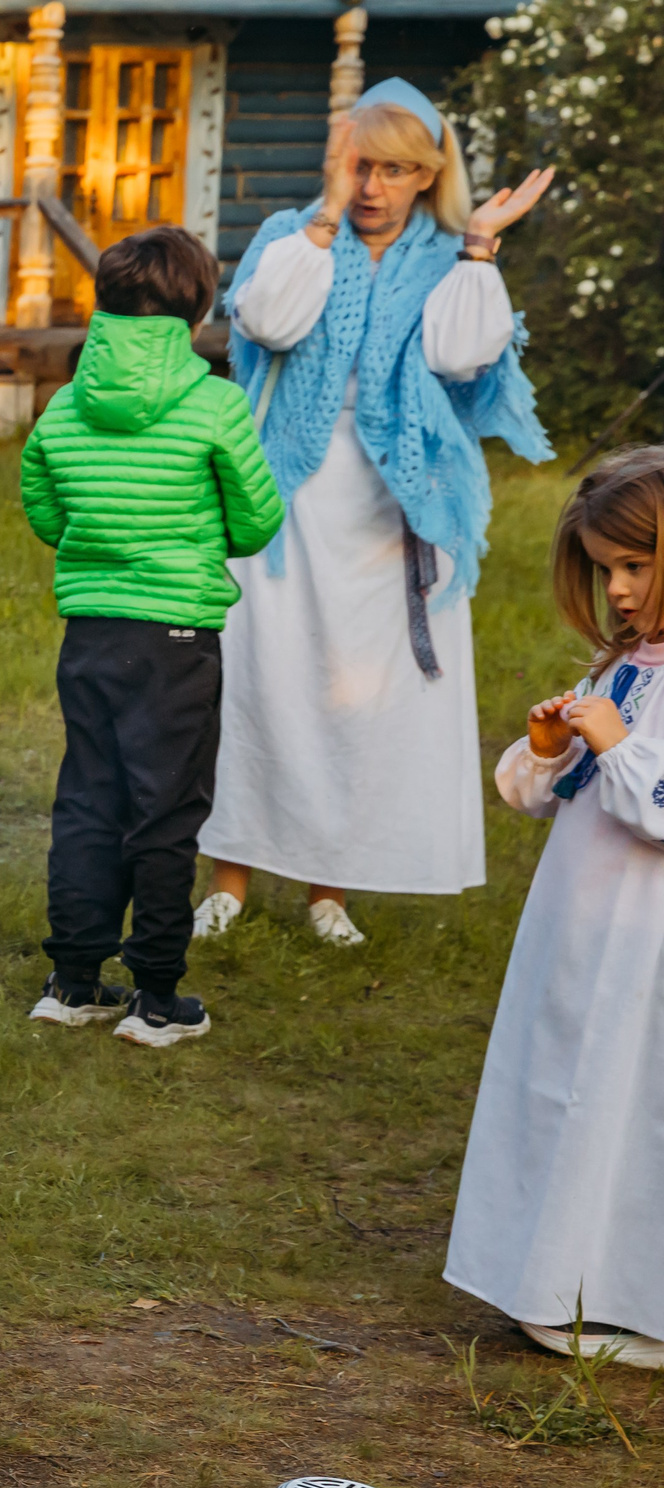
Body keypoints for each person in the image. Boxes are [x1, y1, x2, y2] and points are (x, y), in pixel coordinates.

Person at [196, 79, 554, 948]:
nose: (374, 187)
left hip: (400, 500)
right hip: (286, 489)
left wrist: (477, 249)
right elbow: (266, 323)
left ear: (428, 176)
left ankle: (331, 888)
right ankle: (230, 880)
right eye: (363, 165)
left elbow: (462, 356)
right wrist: (320, 219)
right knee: (260, 679)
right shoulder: (295, 235)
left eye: (397, 170)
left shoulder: (445, 255)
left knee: (364, 694)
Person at [19, 226, 284, 1047]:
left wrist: (97, 546)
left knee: (89, 800)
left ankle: (74, 980)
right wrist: (199, 541)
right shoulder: (215, 403)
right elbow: (257, 517)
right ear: (200, 306)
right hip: (177, 636)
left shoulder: (65, 404)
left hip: (92, 630)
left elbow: (44, 505)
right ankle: (158, 995)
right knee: (164, 808)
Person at [443, 448, 664, 1372]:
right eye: (604, 567)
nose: (615, 589)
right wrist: (545, 747)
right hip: (578, 926)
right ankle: (549, 1272)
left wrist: (619, 748)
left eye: (636, 565)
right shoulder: (623, 664)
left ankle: (624, 1291)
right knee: (559, 1085)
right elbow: (547, 795)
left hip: (644, 942)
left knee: (625, 1103)